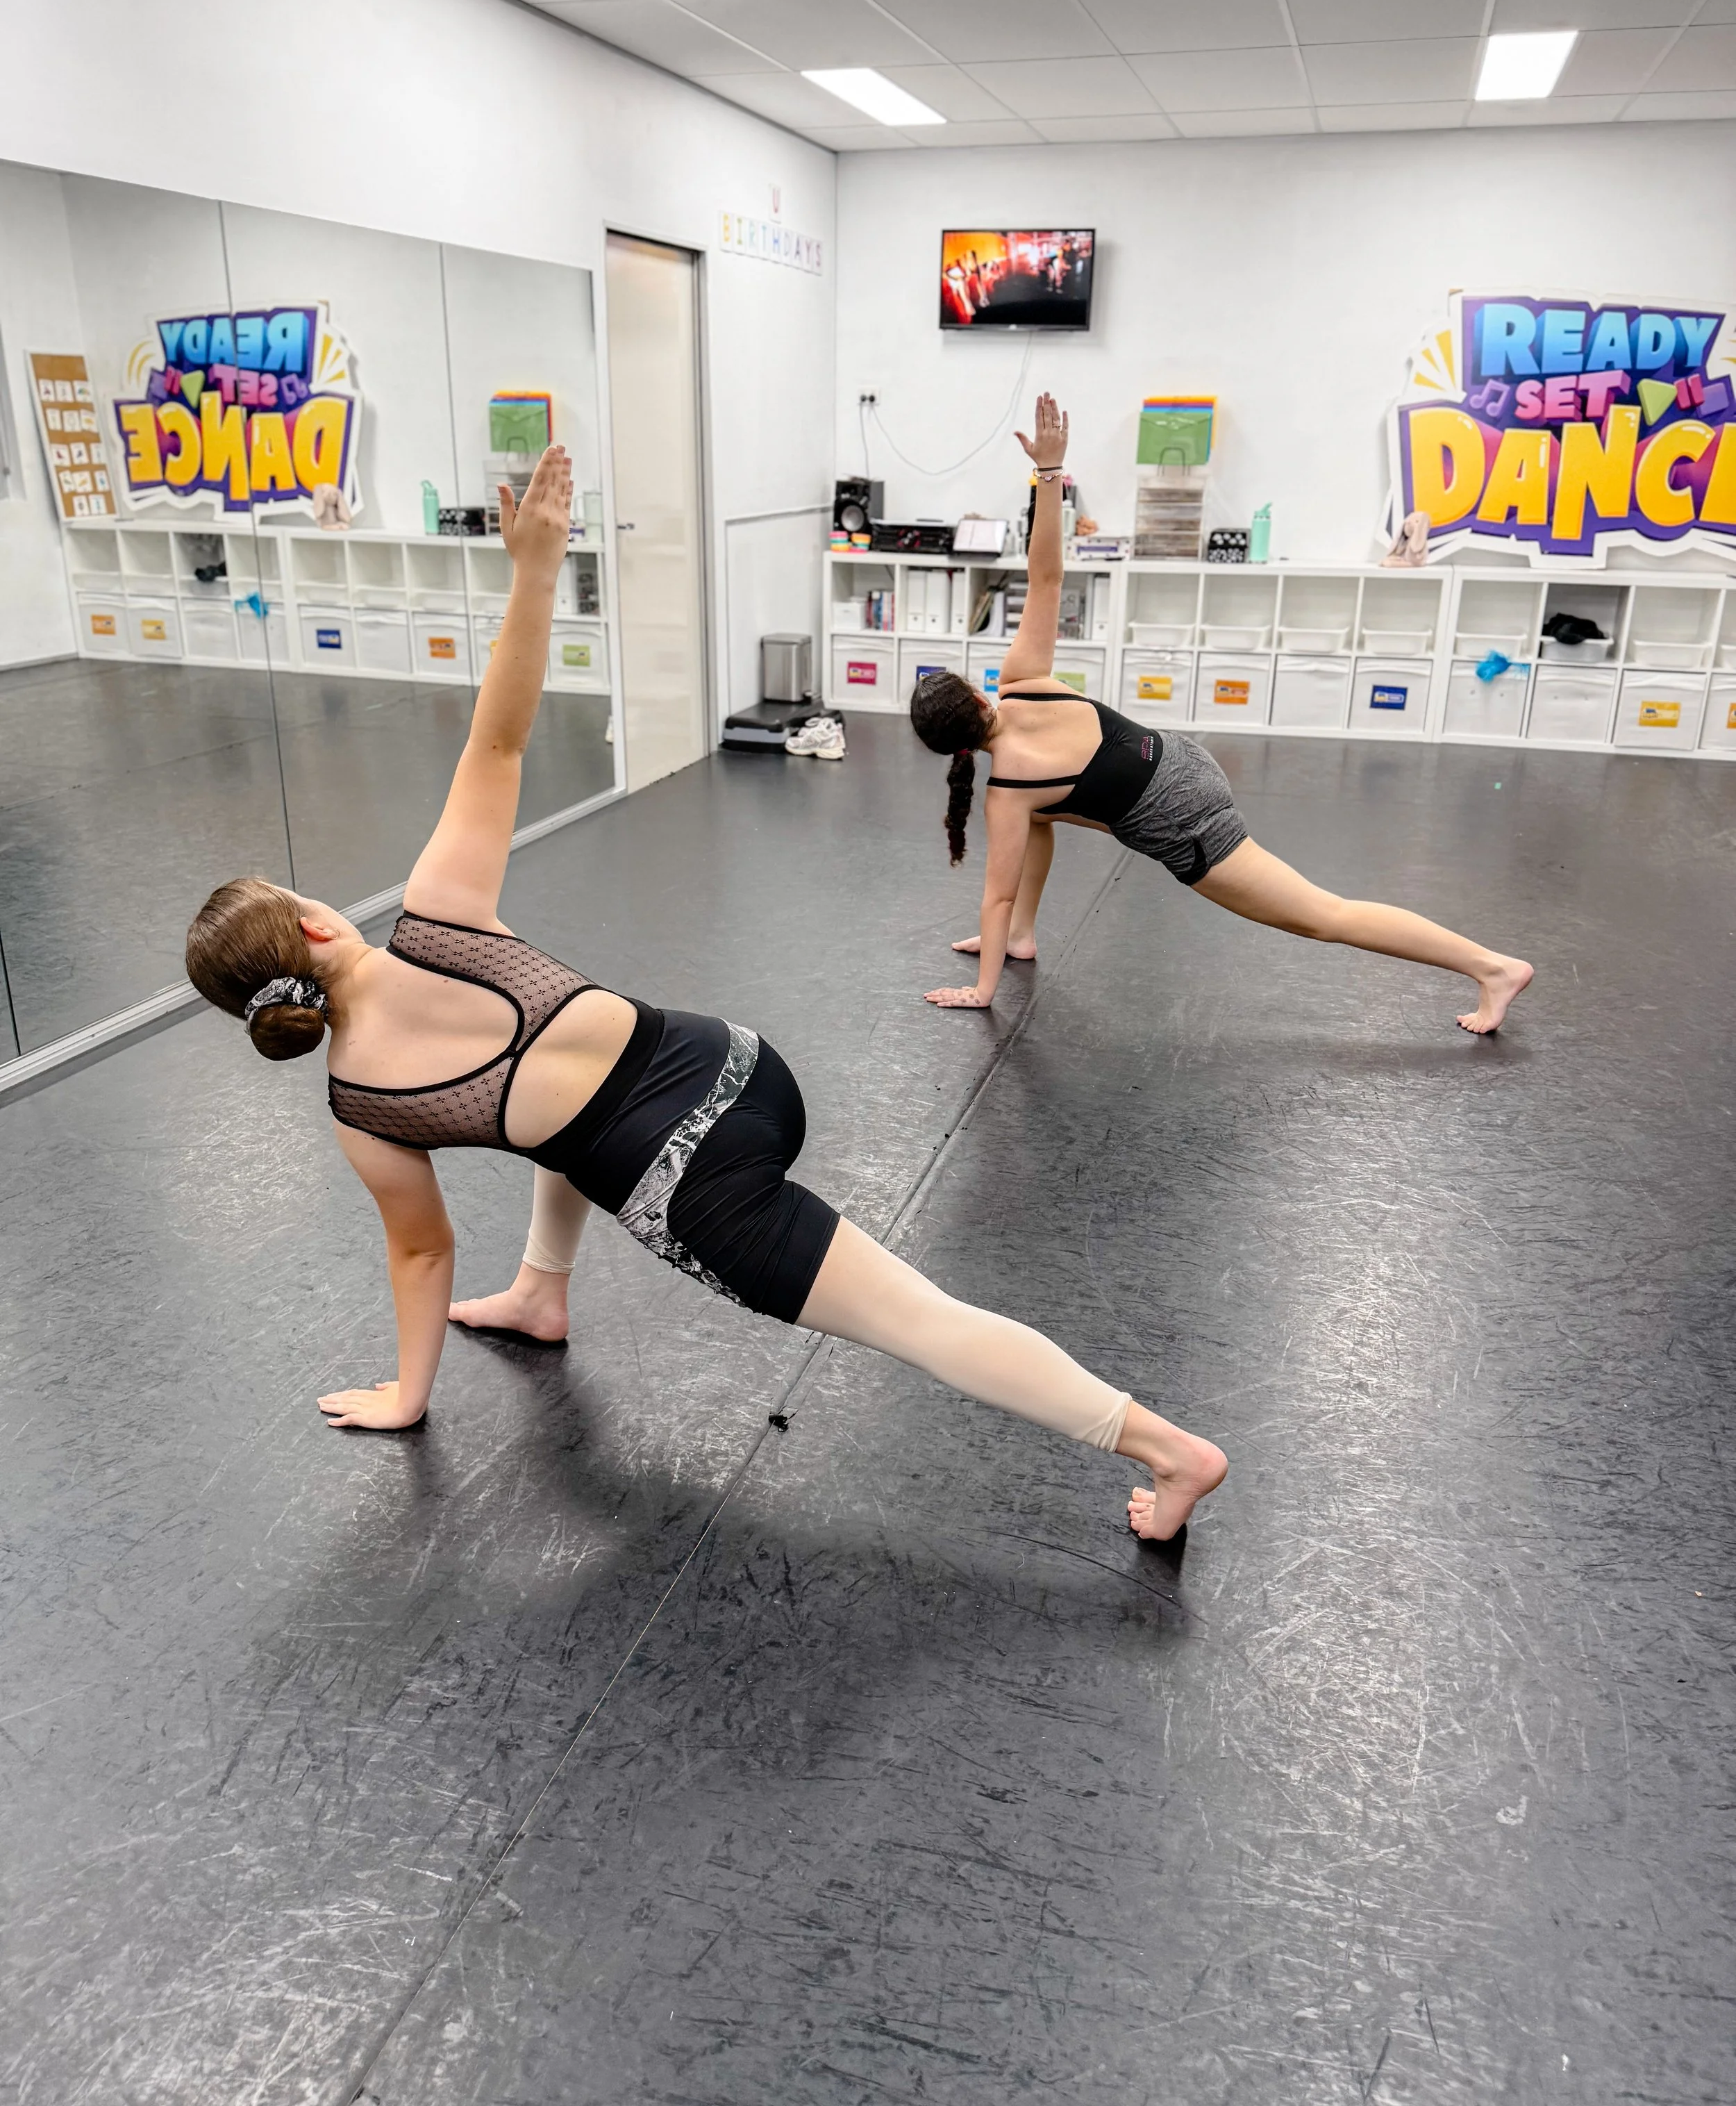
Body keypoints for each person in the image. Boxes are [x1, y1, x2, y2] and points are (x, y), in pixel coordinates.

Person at [183, 445, 1224, 1545]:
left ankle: (1171, 1450)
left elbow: (421, 1254)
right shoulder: (438, 913)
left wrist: (406, 1395)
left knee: (920, 1320)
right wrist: (536, 571)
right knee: (559, 1110)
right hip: (741, 1065)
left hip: (701, 1192)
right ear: (315, 923)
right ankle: (542, 1293)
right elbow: (501, 731)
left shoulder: (365, 1106)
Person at [910, 395, 1534, 1035]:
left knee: (1324, 914)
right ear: (980, 695)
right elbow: (1046, 579)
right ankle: (1021, 940)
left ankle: (1491, 966)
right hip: (1179, 755)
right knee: (1047, 811)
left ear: (950, 750)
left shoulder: (1008, 789)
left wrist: (981, 991)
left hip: (1187, 820)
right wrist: (1049, 473)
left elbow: (997, 890)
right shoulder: (1020, 683)